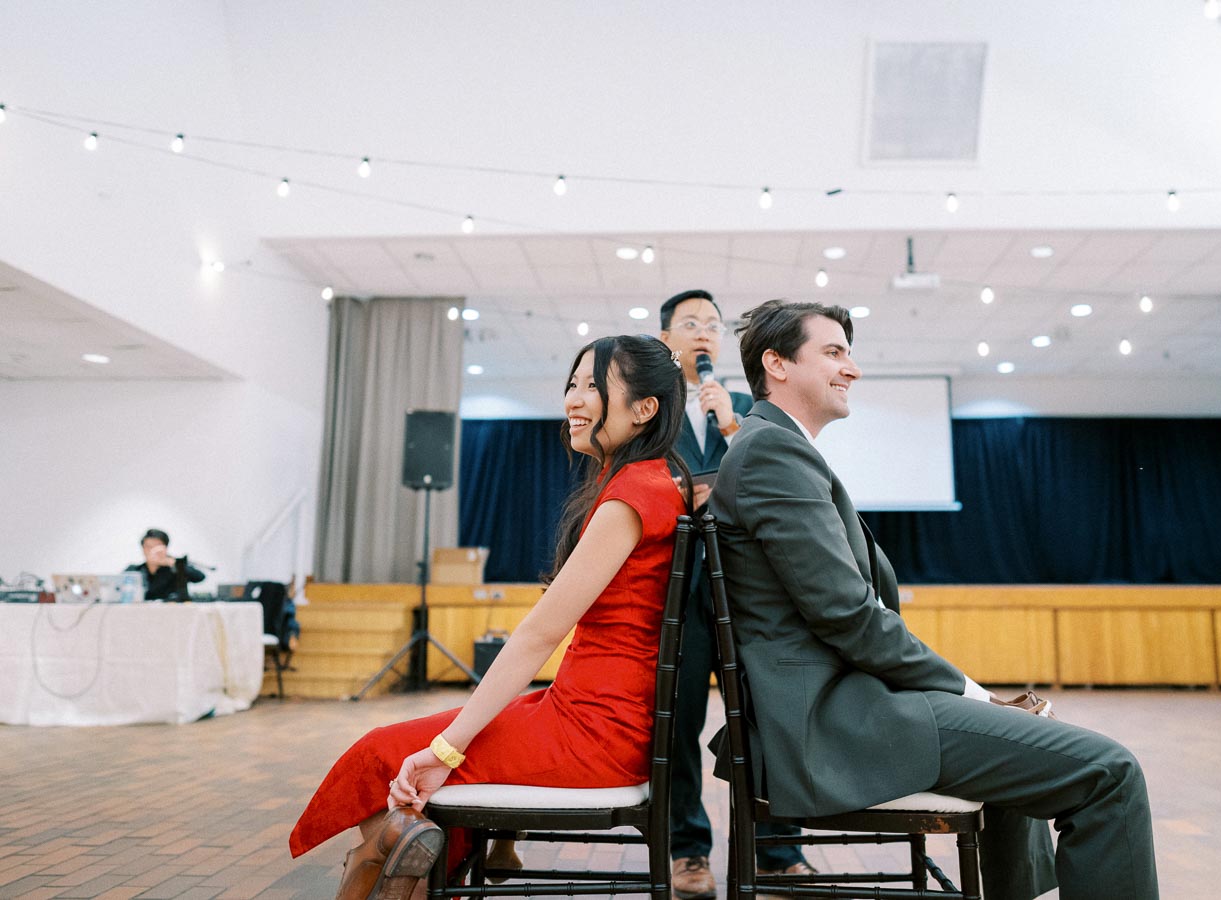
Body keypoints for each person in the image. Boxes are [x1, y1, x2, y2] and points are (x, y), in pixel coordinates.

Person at [707, 300, 1158, 900]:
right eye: (834, 352)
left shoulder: (773, 446)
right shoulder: (772, 451)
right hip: (833, 725)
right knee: (1112, 772)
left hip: (848, 706)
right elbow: (849, 616)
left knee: (1027, 742)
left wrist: (974, 698)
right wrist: (974, 693)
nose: (852, 368)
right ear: (777, 364)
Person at [290, 334, 693, 900]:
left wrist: (447, 748)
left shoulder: (631, 494)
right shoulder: (651, 480)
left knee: (382, 753)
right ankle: (419, 853)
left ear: (644, 408)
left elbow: (539, 635)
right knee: (408, 767)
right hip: (596, 712)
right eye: (572, 384)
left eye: (593, 386)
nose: (574, 399)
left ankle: (384, 857)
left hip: (594, 731)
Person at [658, 289, 808, 898]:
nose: (704, 333)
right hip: (676, 588)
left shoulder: (748, 407)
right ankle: (687, 850)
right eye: (691, 323)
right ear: (666, 338)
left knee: (765, 714)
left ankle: (777, 849)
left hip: (747, 589)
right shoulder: (652, 411)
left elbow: (780, 480)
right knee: (678, 723)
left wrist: (728, 423)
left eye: (714, 325)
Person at [125, 528, 205, 601]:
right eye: (149, 547)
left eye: (157, 547)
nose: (152, 551)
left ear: (165, 548)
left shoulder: (175, 568)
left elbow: (199, 577)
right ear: (143, 549)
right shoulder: (135, 570)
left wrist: (174, 564)